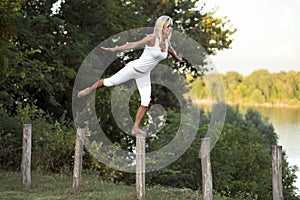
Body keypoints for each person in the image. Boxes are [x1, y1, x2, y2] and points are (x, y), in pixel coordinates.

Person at [77, 15, 184, 137]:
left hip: (144, 74)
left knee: (145, 102)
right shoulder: (151, 39)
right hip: (133, 69)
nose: (171, 28)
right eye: (168, 26)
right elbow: (132, 45)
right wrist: (114, 49)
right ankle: (89, 90)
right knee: (110, 82)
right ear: (161, 27)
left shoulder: (167, 43)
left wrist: (178, 59)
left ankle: (135, 128)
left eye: (171, 26)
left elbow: (173, 53)